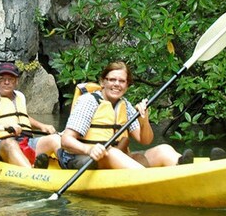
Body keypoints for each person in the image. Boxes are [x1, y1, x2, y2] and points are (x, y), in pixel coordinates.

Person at [58, 61, 193, 170]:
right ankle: (146, 178)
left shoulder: (125, 105)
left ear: (127, 86)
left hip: (116, 156)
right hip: (83, 158)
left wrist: (143, 120)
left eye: (122, 81)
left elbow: (145, 141)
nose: (117, 84)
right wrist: (89, 149)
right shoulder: (89, 101)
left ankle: (184, 169)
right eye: (112, 80)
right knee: (111, 152)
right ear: (102, 82)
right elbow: (66, 141)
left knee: (164, 149)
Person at [0, 62, 60, 168]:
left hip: (25, 141)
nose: (6, 82)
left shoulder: (20, 96)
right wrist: (4, 127)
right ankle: (31, 172)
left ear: (16, 81)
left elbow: (22, 117)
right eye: (2, 79)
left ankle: (69, 166)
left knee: (55, 139)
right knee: (10, 143)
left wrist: (42, 126)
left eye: (11, 79)